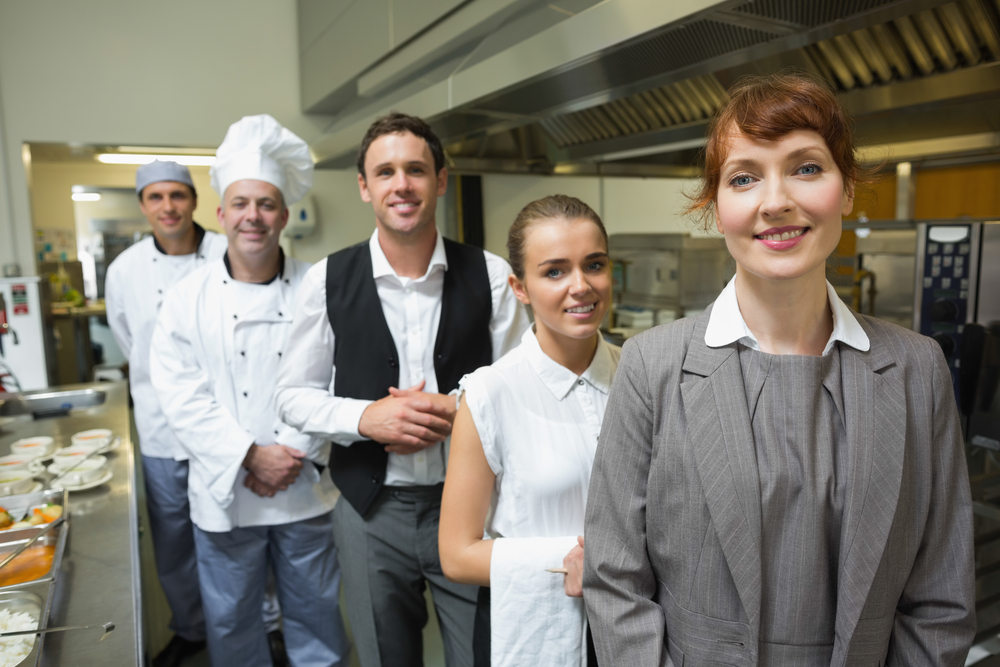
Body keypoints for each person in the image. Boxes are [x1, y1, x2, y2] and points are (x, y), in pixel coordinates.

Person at [583, 72, 976, 666]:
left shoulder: (916, 369)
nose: (775, 201)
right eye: (744, 178)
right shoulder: (652, 366)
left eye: (807, 168)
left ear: (846, 190)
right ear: (716, 208)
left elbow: (942, 597)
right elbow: (614, 579)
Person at [274, 112, 529, 667]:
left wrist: (458, 408)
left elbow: (521, 390)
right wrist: (369, 418)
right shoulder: (326, 280)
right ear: (365, 187)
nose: (402, 184)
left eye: (415, 169)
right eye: (385, 172)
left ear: (441, 179)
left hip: (473, 510)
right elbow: (291, 395)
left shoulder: (488, 275)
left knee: (484, 655)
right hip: (370, 513)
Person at [150, 114, 349, 667]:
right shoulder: (185, 299)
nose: (252, 217)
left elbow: (335, 376)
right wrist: (249, 456)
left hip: (304, 486)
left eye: (265, 204)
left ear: (284, 214)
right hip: (224, 490)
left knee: (317, 619)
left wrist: (288, 455)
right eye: (240, 204)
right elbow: (181, 395)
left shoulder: (320, 286)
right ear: (221, 214)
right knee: (232, 626)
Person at [438, 195, 619, 667]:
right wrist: (576, 557)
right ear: (520, 288)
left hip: (634, 626)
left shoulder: (641, 375)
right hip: (534, 632)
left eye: (594, 264)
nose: (581, 286)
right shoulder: (488, 394)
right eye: (555, 271)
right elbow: (456, 555)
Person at [105, 159, 227, 667]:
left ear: (194, 200)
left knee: (234, 535)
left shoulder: (228, 252)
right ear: (143, 206)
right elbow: (130, 342)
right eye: (156, 198)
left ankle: (258, 629)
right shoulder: (124, 271)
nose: (168, 207)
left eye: (177, 195)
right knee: (174, 544)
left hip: (225, 427)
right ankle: (192, 628)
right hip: (160, 432)